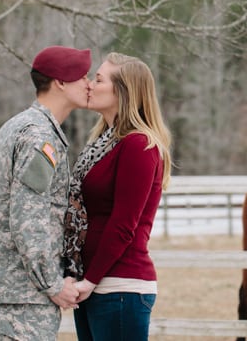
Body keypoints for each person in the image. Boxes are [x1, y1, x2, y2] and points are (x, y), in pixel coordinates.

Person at [0, 45, 91, 340]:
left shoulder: (17, 126)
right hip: (24, 296)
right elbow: (29, 217)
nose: (88, 84)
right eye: (83, 77)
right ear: (61, 83)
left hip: (10, 290)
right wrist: (52, 283)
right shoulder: (39, 137)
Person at [63, 52, 173, 341]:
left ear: (123, 91)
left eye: (98, 79)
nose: (89, 85)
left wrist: (90, 280)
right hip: (94, 284)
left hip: (120, 286)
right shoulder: (103, 144)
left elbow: (124, 223)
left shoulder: (139, 145)